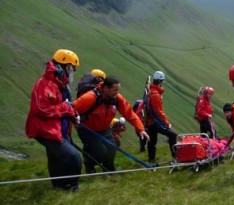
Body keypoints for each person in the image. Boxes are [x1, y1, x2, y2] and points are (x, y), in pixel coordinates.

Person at [25, 49, 82, 191]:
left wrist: (73, 114)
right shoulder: (45, 84)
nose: (74, 71)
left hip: (58, 129)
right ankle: (71, 186)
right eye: (73, 68)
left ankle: (58, 187)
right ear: (66, 67)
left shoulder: (61, 85)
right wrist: (67, 109)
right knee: (73, 157)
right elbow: (41, 109)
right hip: (46, 130)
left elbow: (67, 104)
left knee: (56, 157)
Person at [73, 76, 149, 173]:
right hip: (88, 130)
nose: (117, 93)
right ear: (105, 88)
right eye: (114, 90)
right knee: (99, 151)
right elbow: (72, 108)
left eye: (118, 90)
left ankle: (109, 170)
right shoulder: (90, 97)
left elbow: (129, 113)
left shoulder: (116, 99)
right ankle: (89, 165)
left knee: (112, 148)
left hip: (104, 129)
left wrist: (140, 129)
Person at [144, 71, 178, 163]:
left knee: (152, 141)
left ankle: (151, 159)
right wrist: (167, 124)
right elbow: (159, 112)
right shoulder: (155, 95)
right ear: (160, 81)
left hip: (150, 121)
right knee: (172, 135)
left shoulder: (150, 91)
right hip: (156, 121)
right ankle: (175, 157)